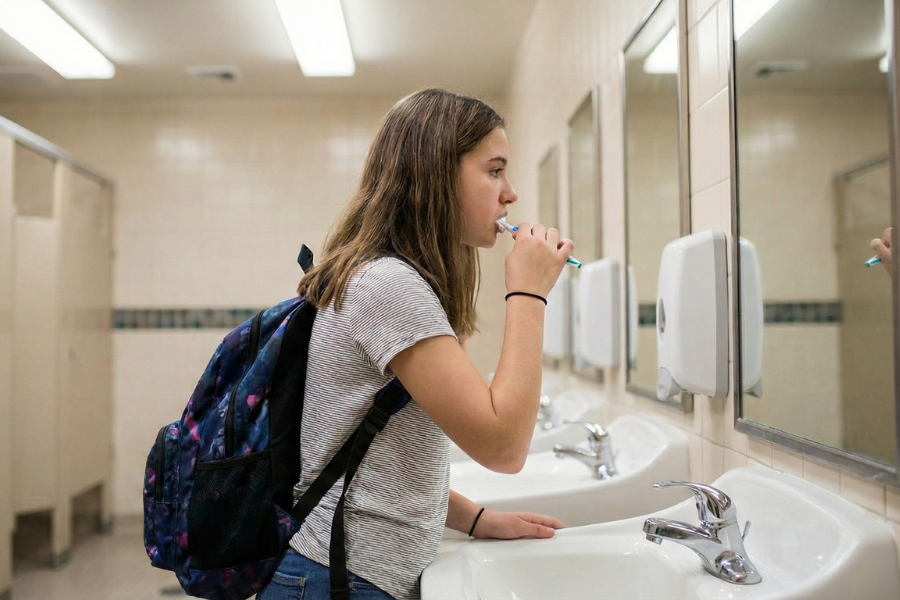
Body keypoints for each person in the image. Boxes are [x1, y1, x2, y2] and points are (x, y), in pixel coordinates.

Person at [256, 88, 573, 600]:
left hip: (348, 573)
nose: (510, 192)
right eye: (494, 170)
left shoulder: (393, 280)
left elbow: (387, 457)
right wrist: (528, 292)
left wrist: (476, 520)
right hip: (336, 579)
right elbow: (504, 446)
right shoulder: (388, 285)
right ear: (437, 174)